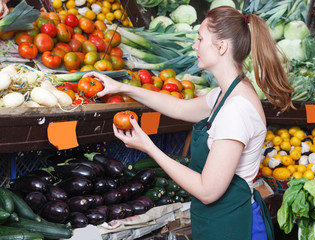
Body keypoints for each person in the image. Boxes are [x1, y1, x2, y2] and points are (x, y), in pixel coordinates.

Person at [84, 6, 294, 240]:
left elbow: (208, 191)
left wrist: (149, 147)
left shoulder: (237, 110)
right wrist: (122, 87)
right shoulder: (225, 94)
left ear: (221, 47)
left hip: (235, 226)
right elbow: (178, 107)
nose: (195, 45)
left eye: (200, 38)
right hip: (218, 223)